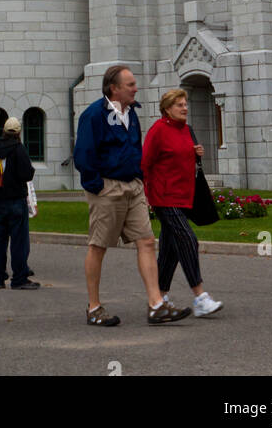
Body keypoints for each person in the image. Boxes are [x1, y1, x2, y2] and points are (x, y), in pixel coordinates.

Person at [74, 65, 190, 326]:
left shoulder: (132, 114)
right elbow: (83, 153)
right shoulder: (93, 115)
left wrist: (140, 179)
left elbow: (135, 147)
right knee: (99, 246)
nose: (136, 88)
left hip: (133, 186)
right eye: (130, 85)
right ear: (114, 88)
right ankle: (94, 307)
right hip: (107, 188)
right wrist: (97, 186)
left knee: (147, 241)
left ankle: (156, 304)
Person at [142, 89, 223, 318]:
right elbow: (145, 163)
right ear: (167, 109)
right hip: (164, 197)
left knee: (170, 250)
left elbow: (182, 157)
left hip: (184, 196)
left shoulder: (187, 130)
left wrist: (196, 153)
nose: (185, 108)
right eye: (179, 105)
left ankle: (160, 297)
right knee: (188, 240)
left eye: (185, 104)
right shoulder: (158, 130)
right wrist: (145, 193)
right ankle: (200, 297)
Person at [0, 116, 40, 290]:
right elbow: (26, 174)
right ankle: (19, 278)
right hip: (16, 200)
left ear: (4, 131)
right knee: (18, 242)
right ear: (18, 133)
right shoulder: (18, 148)